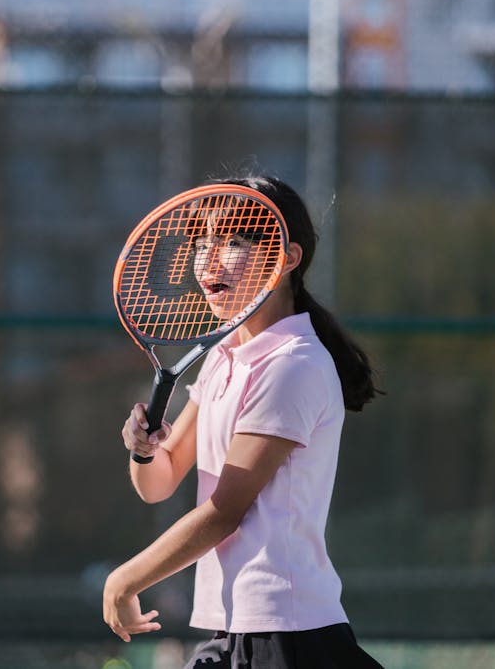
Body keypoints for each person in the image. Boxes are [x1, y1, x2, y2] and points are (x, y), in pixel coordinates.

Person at [103, 175, 384, 668]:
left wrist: (125, 579)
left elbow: (225, 509)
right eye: (201, 241)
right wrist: (144, 451)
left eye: (232, 240)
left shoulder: (293, 364)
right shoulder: (224, 358)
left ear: (288, 257)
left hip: (287, 635)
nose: (209, 257)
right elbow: (159, 481)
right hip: (233, 630)